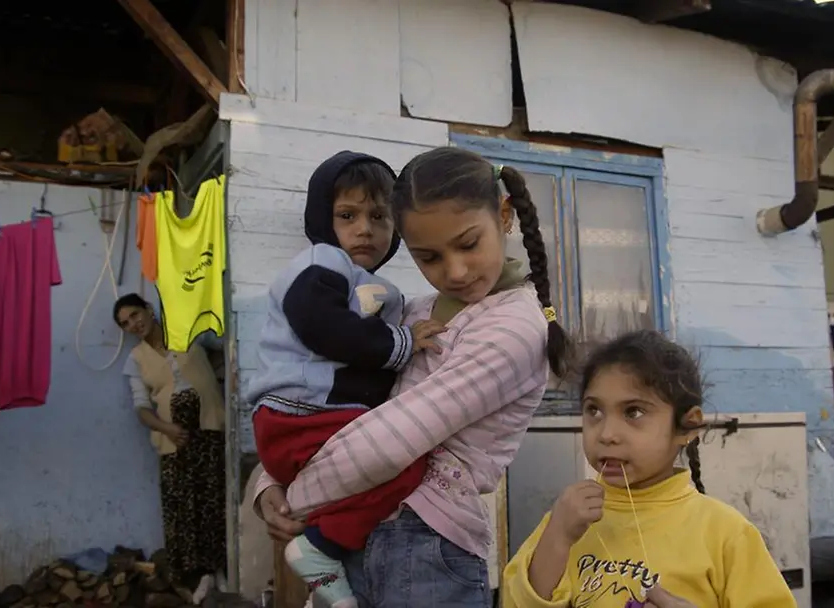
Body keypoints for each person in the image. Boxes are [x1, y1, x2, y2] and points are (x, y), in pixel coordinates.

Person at [254, 146, 573, 607]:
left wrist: (296, 498)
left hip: (425, 542)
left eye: (468, 244)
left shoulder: (514, 328)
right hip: (355, 527)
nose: (455, 271)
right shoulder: (414, 313)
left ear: (504, 217)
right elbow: (333, 400)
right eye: (429, 257)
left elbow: (398, 435)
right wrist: (270, 482)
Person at [246, 151, 446, 608]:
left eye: (379, 216)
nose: (365, 229)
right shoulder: (320, 263)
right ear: (322, 218)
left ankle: (325, 560)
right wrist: (401, 344)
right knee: (404, 460)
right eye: (347, 215)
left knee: (390, 461)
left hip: (312, 421)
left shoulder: (385, 292)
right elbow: (324, 327)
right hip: (303, 415)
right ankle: (321, 547)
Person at [501, 330, 796, 608]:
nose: (606, 434)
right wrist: (557, 538)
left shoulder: (725, 533)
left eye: (634, 412)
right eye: (594, 410)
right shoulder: (567, 520)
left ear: (687, 426)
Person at [114, 293, 227, 597]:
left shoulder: (189, 331)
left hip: (209, 429)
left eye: (135, 315)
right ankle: (197, 576)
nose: (133, 324)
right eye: (125, 323)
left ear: (149, 310)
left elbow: (227, 348)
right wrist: (168, 428)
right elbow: (141, 408)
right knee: (184, 506)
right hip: (175, 439)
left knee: (214, 499)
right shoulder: (135, 360)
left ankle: (220, 570)